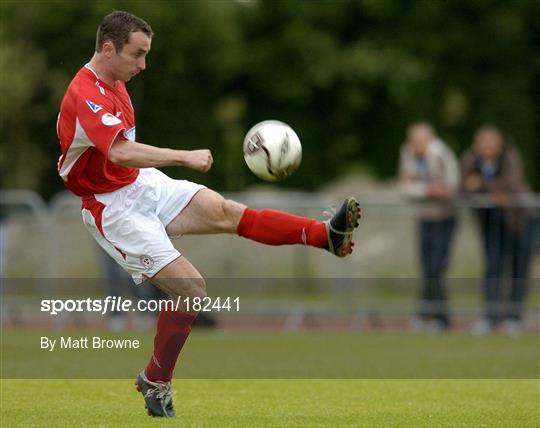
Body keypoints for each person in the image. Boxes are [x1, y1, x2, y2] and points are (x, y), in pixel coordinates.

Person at [56, 11, 361, 418]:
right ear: (108, 49)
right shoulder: (85, 92)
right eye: (137, 54)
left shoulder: (118, 82)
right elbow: (119, 151)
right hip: (110, 207)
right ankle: (156, 379)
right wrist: (184, 156)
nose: (143, 64)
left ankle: (326, 235)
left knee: (226, 211)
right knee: (192, 291)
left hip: (140, 184)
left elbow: (124, 158)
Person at [461, 125, 534, 336]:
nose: (486, 147)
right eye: (482, 143)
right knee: (493, 267)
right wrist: (490, 192)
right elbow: (462, 186)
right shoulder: (471, 159)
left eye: (491, 142)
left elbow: (511, 184)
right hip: (491, 221)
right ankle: (490, 318)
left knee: (518, 268)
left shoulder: (510, 157)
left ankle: (514, 318)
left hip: (520, 221)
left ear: (499, 144)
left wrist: (481, 185)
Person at [399, 122, 459, 332]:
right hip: (424, 217)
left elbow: (450, 187)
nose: (416, 145)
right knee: (427, 268)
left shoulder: (442, 154)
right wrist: (428, 190)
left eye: (421, 140)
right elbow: (405, 187)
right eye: (413, 140)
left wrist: (422, 188)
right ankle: (428, 314)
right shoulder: (407, 153)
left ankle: (439, 317)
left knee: (436, 267)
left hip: (445, 217)